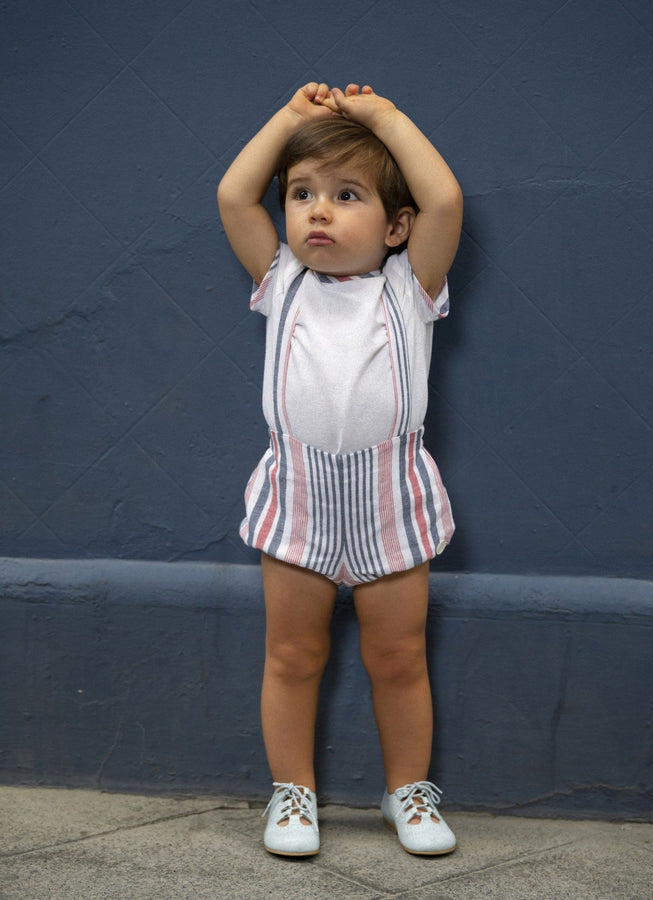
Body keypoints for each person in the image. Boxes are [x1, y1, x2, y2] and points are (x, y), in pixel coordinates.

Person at [217, 81, 463, 858]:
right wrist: (290, 120)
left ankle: (406, 792)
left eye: (346, 195)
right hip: (299, 500)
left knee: (398, 657)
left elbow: (445, 201)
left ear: (396, 227)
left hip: (390, 498)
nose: (317, 211)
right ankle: (293, 793)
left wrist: (383, 119)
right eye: (302, 194)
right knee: (293, 656)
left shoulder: (407, 288)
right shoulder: (282, 282)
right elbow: (232, 195)